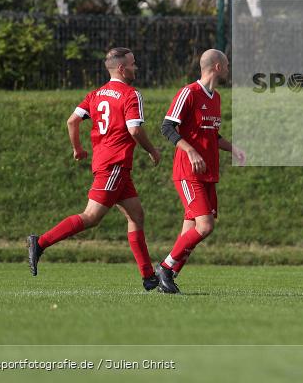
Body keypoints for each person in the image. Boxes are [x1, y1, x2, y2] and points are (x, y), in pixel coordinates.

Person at [27, 48, 162, 290]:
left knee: (136, 216)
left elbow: (72, 120)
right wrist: (152, 150)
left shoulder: (96, 94)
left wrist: (77, 148)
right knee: (91, 217)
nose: (136, 67)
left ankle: (149, 276)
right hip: (115, 165)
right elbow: (134, 130)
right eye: (133, 63)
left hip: (111, 165)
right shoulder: (131, 94)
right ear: (122, 68)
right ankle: (40, 243)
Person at [155, 49, 245, 294]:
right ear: (217, 67)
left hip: (207, 174)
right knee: (204, 227)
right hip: (188, 172)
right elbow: (167, 127)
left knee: (190, 232)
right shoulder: (189, 93)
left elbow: (211, 135)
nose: (228, 69)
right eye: (226, 65)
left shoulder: (215, 97)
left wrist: (233, 149)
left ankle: (168, 277)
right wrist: (191, 151)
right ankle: (164, 267)